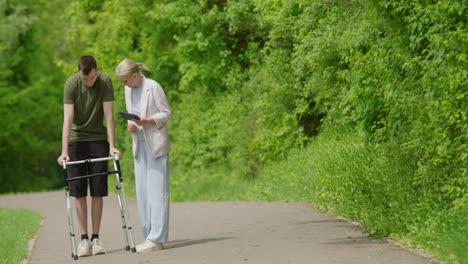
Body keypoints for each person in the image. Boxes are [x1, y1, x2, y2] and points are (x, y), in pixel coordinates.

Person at [57, 55, 120, 257]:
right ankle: (83, 240)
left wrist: (112, 146)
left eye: (92, 78)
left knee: (98, 191)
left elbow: (109, 115)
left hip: (98, 139)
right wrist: (64, 150)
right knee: (79, 191)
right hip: (76, 140)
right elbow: (67, 119)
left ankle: (96, 238)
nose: (89, 82)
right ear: (79, 72)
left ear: (97, 70)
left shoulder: (105, 81)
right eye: (86, 80)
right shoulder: (71, 84)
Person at [115, 58, 171, 253]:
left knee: (158, 192)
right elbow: (134, 114)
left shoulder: (153, 87)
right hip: (138, 144)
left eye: (125, 80)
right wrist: (132, 125)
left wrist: (148, 121)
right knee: (143, 193)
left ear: (134, 76)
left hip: (155, 144)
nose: (124, 84)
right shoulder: (128, 90)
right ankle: (149, 236)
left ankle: (157, 238)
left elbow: (166, 114)